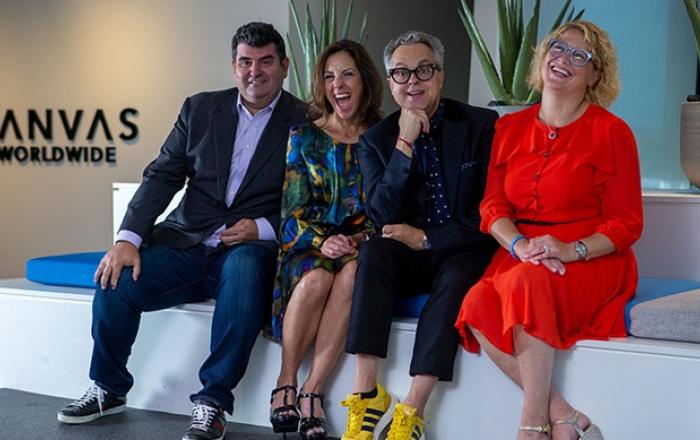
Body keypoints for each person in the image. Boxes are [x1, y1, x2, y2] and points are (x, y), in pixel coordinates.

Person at [56, 22, 306, 440]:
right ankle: (108, 388)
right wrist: (127, 239)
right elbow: (162, 175)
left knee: (244, 273)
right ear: (233, 65)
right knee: (114, 279)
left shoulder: (307, 121)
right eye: (245, 62)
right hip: (186, 240)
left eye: (265, 62)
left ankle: (213, 402)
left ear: (283, 66)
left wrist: (262, 228)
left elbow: (313, 202)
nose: (254, 72)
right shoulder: (200, 109)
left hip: (250, 248)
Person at [455, 21, 642, 440]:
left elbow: (627, 223)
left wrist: (569, 249)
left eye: (579, 56)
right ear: (543, 55)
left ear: (595, 75)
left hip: (591, 258)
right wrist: (519, 245)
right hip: (523, 252)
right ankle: (565, 414)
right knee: (475, 304)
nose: (563, 59)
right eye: (558, 47)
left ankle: (532, 425)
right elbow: (493, 207)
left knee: (527, 283)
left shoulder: (612, 132)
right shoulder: (509, 128)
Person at [340, 31, 498, 440]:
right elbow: (380, 215)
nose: (412, 81)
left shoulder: (480, 125)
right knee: (373, 254)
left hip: (464, 247)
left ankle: (413, 408)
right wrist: (404, 143)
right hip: (408, 254)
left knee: (455, 278)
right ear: (390, 83)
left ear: (440, 76)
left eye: (423, 70)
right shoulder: (376, 140)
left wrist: (427, 238)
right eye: (401, 73)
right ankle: (366, 393)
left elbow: (488, 211)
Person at [267, 39, 383, 440]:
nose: (338, 84)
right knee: (317, 277)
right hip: (307, 247)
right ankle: (285, 380)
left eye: (348, 74)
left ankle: (312, 390)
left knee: (350, 276)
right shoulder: (304, 137)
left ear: (364, 81)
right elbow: (289, 218)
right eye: (330, 76)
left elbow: (389, 210)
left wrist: (360, 238)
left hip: (359, 247)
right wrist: (322, 243)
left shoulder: (380, 138)